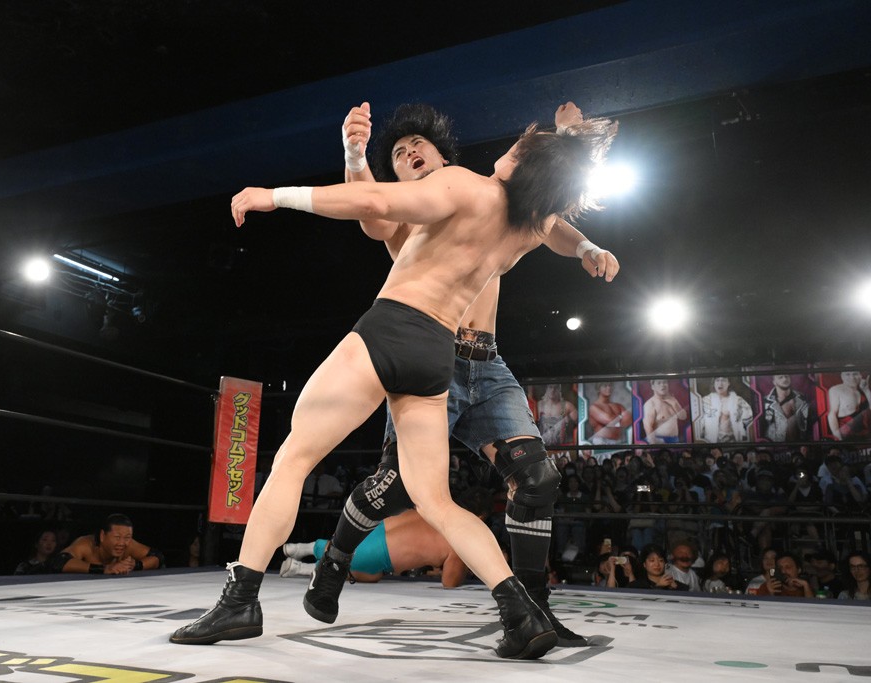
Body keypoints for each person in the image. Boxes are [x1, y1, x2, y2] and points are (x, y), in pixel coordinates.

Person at [170, 107, 618, 660]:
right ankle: (520, 615)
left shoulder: (463, 185)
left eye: (521, 145)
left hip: (395, 328)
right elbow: (542, 200)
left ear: (522, 159)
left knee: (294, 457)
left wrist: (275, 195)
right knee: (435, 500)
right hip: (437, 357)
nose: (511, 146)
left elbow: (374, 202)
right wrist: (569, 141)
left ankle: (240, 600)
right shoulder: (524, 228)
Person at [280, 487, 493, 587]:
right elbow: (450, 582)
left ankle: (302, 548)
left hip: (371, 527)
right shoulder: (458, 537)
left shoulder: (433, 506)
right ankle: (303, 567)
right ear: (480, 518)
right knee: (355, 565)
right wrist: (468, 563)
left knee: (372, 574)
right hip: (377, 553)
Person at [52, 513, 164, 575]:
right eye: (117, 537)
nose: (122, 543)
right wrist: (104, 569)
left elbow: (157, 556)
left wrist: (136, 565)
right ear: (102, 536)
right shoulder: (86, 544)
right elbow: (59, 562)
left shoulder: (129, 545)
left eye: (127, 537)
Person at [695, 377, 753, 443]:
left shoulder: (738, 400)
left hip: (734, 441)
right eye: (717, 380)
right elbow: (698, 425)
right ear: (714, 383)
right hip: (712, 442)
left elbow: (750, 420)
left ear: (729, 383)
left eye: (724, 380)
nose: (720, 383)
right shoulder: (705, 401)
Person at [762, 375, 811, 442]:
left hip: (799, 445)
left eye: (786, 376)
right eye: (780, 377)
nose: (784, 379)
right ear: (774, 382)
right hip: (774, 445)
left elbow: (809, 423)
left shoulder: (802, 399)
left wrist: (805, 443)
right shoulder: (765, 402)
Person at [827, 370, 871, 441]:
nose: (852, 377)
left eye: (855, 374)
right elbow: (832, 414)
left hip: (865, 436)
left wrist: (866, 390)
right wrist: (838, 438)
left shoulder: (862, 390)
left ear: (860, 376)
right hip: (846, 437)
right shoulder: (836, 390)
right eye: (847, 374)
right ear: (842, 376)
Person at [642, 379, 687, 444]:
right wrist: (653, 442)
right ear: (653, 387)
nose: (662, 385)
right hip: (660, 441)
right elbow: (647, 425)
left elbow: (683, 417)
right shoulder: (651, 404)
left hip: (675, 440)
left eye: (665, 382)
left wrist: (675, 404)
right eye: (659, 383)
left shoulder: (673, 399)